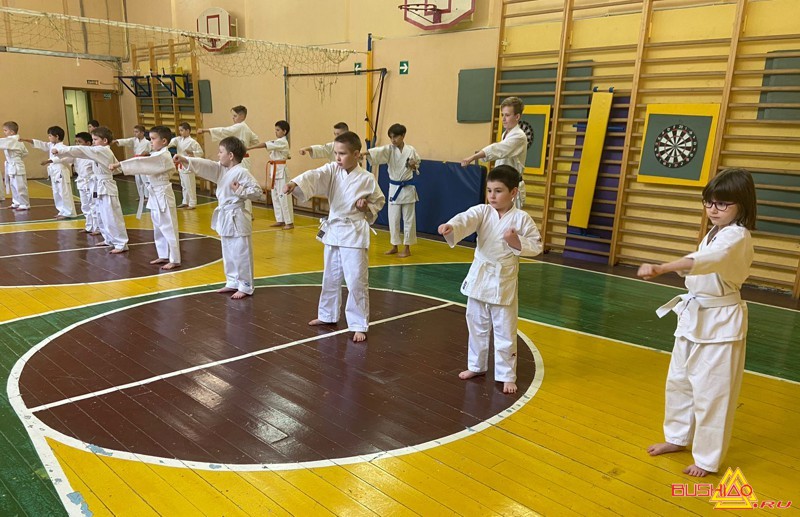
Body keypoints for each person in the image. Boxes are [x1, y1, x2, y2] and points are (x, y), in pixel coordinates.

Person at [637, 168, 757, 478]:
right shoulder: (715, 231)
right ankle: (677, 437)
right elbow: (702, 261)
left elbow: (707, 261)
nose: (713, 209)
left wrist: (663, 267)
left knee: (713, 393)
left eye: (722, 203)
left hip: (721, 325)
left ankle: (707, 458)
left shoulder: (736, 236)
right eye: (709, 202)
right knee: (679, 381)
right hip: (694, 317)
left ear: (742, 204)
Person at [438, 165, 542, 394]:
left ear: (513, 192)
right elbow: (466, 218)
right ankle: (476, 366)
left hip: (503, 279)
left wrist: (516, 242)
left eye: (498, 191)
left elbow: (536, 245)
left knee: (505, 329)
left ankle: (506, 375)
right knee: (476, 324)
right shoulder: (483, 211)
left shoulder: (521, 219)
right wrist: (451, 226)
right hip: (480, 276)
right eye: (489, 190)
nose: (492, 196)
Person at [284, 131, 385, 342]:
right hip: (334, 230)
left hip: (354, 232)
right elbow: (314, 175)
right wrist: (295, 183)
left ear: (356, 154)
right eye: (336, 153)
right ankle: (327, 315)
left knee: (356, 279)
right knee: (330, 277)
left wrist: (366, 206)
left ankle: (358, 324)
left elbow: (379, 201)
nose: (338, 158)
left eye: (342, 154)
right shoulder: (332, 169)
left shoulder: (367, 178)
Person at [174, 137, 263, 299]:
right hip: (225, 216)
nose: (218, 155)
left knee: (241, 252)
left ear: (230, 155)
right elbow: (206, 165)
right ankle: (232, 281)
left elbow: (257, 192)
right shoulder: (222, 170)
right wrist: (185, 159)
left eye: (221, 152)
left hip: (237, 216)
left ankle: (245, 285)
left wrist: (240, 190)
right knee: (228, 251)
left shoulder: (241, 172)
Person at [111, 125, 181, 270]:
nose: (150, 142)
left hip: (163, 193)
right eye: (150, 139)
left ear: (164, 141)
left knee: (168, 226)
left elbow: (141, 163)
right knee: (158, 226)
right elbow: (142, 163)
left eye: (153, 139)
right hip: (155, 193)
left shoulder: (164, 156)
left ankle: (175, 259)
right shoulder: (156, 154)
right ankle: (163, 254)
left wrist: (120, 165)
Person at [52, 126, 129, 253]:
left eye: (95, 139)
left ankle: (121, 243)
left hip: (106, 185)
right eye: (93, 139)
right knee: (101, 214)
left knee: (111, 215)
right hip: (98, 184)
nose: (93, 142)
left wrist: (61, 149)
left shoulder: (103, 150)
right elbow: (116, 168)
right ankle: (108, 239)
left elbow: (81, 149)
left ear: (105, 140)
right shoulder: (100, 151)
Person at [364, 123, 421, 257]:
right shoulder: (389, 149)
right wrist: (362, 153)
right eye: (391, 137)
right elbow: (377, 152)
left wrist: (413, 165)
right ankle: (394, 245)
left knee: (408, 219)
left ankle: (407, 248)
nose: (393, 140)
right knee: (393, 218)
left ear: (403, 136)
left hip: (408, 188)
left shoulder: (411, 150)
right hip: (394, 189)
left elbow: (417, 167)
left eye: (395, 137)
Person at [461, 96, 527, 209]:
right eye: (502, 115)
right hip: (500, 184)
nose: (503, 119)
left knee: (509, 218)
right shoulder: (506, 134)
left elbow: (498, 149)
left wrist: (474, 156)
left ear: (517, 117)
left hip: (511, 187)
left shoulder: (519, 136)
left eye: (507, 115)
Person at [22, 126, 78, 219]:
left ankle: (69, 212)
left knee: (64, 192)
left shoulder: (63, 147)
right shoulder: (51, 145)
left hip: (61, 171)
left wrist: (49, 161)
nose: (49, 137)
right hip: (54, 172)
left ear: (57, 136)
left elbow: (66, 158)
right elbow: (41, 144)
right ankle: (62, 211)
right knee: (56, 192)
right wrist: (26, 140)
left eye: (50, 136)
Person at [248, 120, 293, 229]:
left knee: (283, 196)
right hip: (274, 171)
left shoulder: (282, 142)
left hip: (281, 171)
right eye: (275, 130)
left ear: (284, 131)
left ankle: (289, 222)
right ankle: (280, 220)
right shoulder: (278, 142)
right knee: (275, 196)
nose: (275, 132)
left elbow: (265, 144)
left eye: (278, 130)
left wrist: (249, 148)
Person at [198, 105, 259, 171]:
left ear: (242, 116)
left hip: (239, 160)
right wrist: (245, 146)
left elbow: (225, 131)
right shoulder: (246, 128)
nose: (233, 118)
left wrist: (206, 130)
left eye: (235, 116)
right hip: (245, 159)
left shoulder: (240, 126)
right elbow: (255, 140)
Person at [168, 122, 204, 209]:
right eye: (179, 130)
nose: (180, 132)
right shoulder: (178, 140)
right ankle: (185, 201)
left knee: (190, 185)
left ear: (188, 131)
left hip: (188, 165)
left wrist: (192, 153)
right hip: (180, 165)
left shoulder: (192, 142)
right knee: (184, 185)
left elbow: (201, 153)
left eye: (182, 130)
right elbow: (170, 143)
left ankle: (192, 203)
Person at [113, 124, 152, 201]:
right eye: (134, 132)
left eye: (137, 132)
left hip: (144, 162)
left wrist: (145, 153)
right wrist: (117, 141)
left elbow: (150, 151)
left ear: (142, 133)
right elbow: (126, 141)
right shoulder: (134, 140)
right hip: (136, 161)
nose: (135, 133)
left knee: (145, 179)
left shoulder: (147, 142)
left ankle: (147, 196)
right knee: (138, 180)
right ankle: (141, 196)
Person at [73, 132, 100, 234]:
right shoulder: (77, 154)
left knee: (93, 205)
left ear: (88, 143)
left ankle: (97, 227)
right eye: (76, 142)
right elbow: (66, 156)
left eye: (79, 142)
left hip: (91, 182)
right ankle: (89, 226)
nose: (77, 144)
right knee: (85, 206)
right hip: (81, 182)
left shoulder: (93, 154)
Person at [0, 121, 30, 210]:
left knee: (20, 186)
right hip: (12, 165)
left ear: (12, 132)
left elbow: (1, 142)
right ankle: (16, 202)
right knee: (13, 185)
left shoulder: (13, 140)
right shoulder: (15, 140)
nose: (4, 132)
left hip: (16, 166)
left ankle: (24, 204)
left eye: (5, 130)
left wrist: (17, 159)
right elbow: (25, 153)